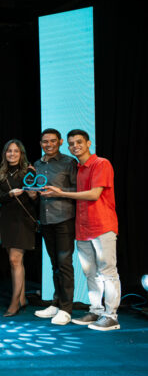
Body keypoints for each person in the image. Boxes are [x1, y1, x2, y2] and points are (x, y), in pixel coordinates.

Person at [42, 129, 121, 331]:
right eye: (71, 143)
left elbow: (94, 195)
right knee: (90, 273)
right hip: (83, 228)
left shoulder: (101, 163)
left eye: (79, 142)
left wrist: (61, 193)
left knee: (107, 271)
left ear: (88, 143)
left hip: (102, 225)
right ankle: (96, 310)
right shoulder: (79, 167)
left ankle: (111, 316)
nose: (75, 146)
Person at [32, 129, 78, 325]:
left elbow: (79, 189)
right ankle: (57, 303)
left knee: (65, 264)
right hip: (46, 220)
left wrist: (59, 192)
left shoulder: (69, 162)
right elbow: (36, 189)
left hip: (64, 218)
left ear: (59, 142)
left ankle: (67, 309)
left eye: (52, 141)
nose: (48, 144)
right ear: (41, 143)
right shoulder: (37, 164)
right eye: (44, 142)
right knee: (55, 265)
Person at [0, 139, 38, 317]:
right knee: (16, 261)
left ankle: (14, 303)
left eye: (16, 151)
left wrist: (32, 193)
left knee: (14, 260)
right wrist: (9, 194)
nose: (12, 154)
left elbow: (36, 197)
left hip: (23, 219)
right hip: (7, 220)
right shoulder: (0, 174)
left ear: (21, 154)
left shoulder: (29, 171)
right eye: (9, 151)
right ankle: (21, 299)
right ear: (5, 154)